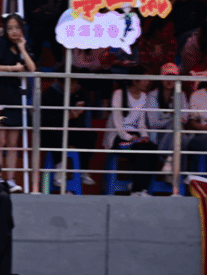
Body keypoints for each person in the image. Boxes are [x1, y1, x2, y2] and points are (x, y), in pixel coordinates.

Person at [0, 13, 36, 193]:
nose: (14, 31)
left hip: (15, 97)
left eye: (17, 28)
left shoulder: (23, 45)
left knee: (13, 142)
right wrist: (13, 69)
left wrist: (22, 48)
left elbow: (32, 68)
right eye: (10, 28)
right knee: (0, 140)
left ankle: (11, 180)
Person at [101, 67, 159, 195]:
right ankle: (137, 190)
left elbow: (141, 123)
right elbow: (117, 124)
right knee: (139, 149)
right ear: (134, 80)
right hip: (119, 142)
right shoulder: (119, 94)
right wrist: (130, 138)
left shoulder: (144, 97)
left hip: (135, 138)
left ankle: (140, 187)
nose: (147, 82)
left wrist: (144, 136)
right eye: (144, 80)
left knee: (153, 149)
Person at [40, 76, 96, 190]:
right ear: (60, 82)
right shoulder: (49, 94)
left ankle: (83, 170)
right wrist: (68, 116)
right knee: (57, 132)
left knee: (90, 135)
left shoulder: (81, 93)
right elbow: (47, 120)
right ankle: (59, 170)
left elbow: (82, 119)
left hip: (73, 131)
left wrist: (75, 115)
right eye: (69, 84)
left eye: (74, 83)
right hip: (51, 133)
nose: (72, 87)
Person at [146, 62, 191, 177]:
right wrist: (173, 119)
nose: (170, 81)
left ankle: (168, 159)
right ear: (161, 79)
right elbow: (153, 124)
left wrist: (174, 120)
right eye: (167, 77)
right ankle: (180, 177)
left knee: (178, 133)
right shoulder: (152, 96)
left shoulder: (181, 95)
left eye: (173, 77)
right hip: (158, 135)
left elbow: (185, 118)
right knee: (178, 132)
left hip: (176, 134)